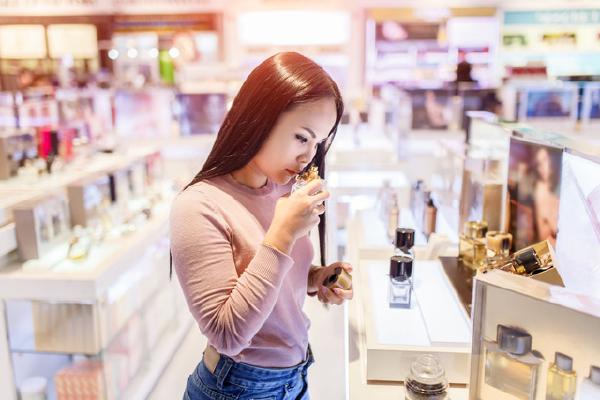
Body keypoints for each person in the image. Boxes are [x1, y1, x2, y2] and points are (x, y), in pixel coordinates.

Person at [170, 52, 353, 400]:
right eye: (301, 137)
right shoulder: (198, 206)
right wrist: (283, 234)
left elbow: (266, 273)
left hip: (295, 377)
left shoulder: (284, 190)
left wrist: (315, 278)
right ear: (258, 119)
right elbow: (227, 334)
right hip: (236, 388)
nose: (308, 157)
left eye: (318, 143)